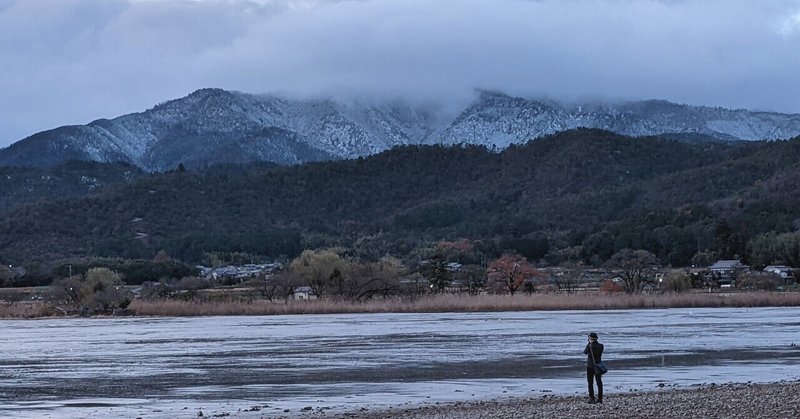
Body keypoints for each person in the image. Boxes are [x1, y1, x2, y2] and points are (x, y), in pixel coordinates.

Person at [583, 332, 604, 404]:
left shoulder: (589, 346)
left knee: (590, 383)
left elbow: (585, 352)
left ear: (590, 339)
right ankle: (600, 398)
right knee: (599, 382)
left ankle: (592, 398)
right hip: (598, 366)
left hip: (590, 366)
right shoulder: (601, 346)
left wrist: (589, 344)